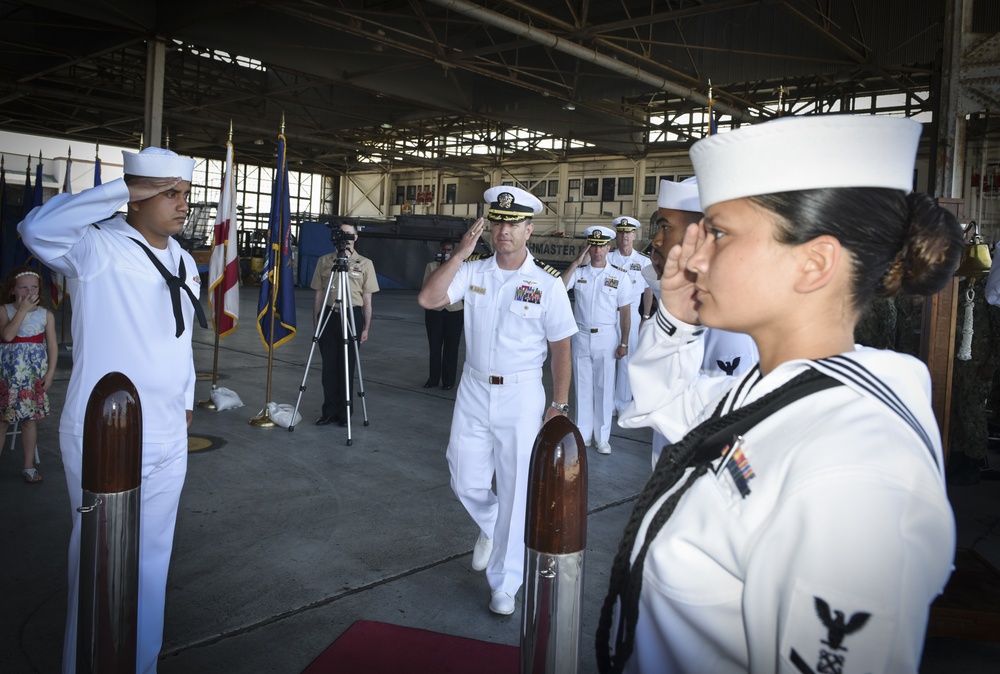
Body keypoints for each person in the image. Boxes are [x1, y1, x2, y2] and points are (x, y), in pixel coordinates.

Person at [596, 114, 962, 673]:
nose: (692, 258)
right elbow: (662, 403)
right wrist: (674, 315)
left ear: (814, 263)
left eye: (718, 233)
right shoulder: (775, 393)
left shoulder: (852, 471)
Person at [19, 146, 205, 674]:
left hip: (167, 429)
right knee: (100, 562)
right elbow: (36, 230)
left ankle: (139, 665)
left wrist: (185, 399)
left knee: (151, 562)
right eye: (169, 192)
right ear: (138, 195)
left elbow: (181, 338)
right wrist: (120, 192)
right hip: (108, 431)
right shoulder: (94, 247)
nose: (182, 204)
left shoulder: (185, 259)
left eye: (185, 194)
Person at [418, 185, 577, 616]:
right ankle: (491, 525)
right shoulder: (473, 272)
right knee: (463, 476)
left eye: (513, 223)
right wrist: (458, 255)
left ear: (530, 229)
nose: (504, 230)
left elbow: (561, 346)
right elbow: (429, 299)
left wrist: (558, 405)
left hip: (522, 394)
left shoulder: (546, 283)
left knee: (515, 487)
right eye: (498, 221)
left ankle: (505, 583)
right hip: (473, 387)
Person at [628, 177, 759, 468]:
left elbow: (729, 425)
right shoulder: (694, 299)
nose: (657, 240)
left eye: (664, 227)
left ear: (700, 235)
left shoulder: (728, 318)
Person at [562, 226, 631, 454]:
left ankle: (602, 438)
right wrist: (575, 263)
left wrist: (624, 343)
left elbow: (626, 312)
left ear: (608, 248)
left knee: (603, 387)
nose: (598, 250)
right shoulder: (580, 274)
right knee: (582, 387)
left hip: (606, 337)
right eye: (593, 246)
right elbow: (560, 288)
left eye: (602, 246)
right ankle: (583, 434)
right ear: (588, 248)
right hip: (581, 335)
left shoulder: (619, 276)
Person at [311, 222, 379, 427]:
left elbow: (367, 300)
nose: (344, 238)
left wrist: (366, 327)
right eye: (341, 234)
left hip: (352, 315)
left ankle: (345, 413)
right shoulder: (325, 261)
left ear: (356, 238)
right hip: (329, 316)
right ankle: (329, 411)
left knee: (347, 366)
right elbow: (318, 296)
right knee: (329, 367)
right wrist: (317, 324)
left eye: (348, 234)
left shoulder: (365, 263)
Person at [0, 267, 58, 483]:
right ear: (13, 290)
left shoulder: (46, 315)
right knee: (3, 421)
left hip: (32, 377)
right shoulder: (4, 311)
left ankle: (28, 466)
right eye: (23, 287)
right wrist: (22, 311)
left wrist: (50, 373)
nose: (29, 291)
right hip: (8, 376)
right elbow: (7, 336)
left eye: (33, 286)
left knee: (28, 421)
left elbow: (52, 346)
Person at [608, 216, 653, 415]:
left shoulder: (643, 261)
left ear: (635, 235)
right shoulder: (608, 258)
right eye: (621, 232)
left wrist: (645, 317)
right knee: (608, 359)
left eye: (628, 232)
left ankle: (623, 403)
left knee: (627, 361)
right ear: (616, 235)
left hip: (633, 314)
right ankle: (607, 403)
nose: (625, 236)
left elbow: (649, 289)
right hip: (610, 313)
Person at [422, 240, 463, 390]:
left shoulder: (460, 267)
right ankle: (433, 379)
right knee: (434, 346)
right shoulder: (431, 266)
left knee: (451, 348)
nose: (446, 253)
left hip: (455, 310)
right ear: (440, 250)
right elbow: (425, 287)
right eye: (444, 250)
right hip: (435, 311)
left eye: (449, 250)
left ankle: (448, 381)